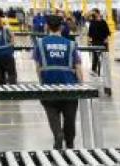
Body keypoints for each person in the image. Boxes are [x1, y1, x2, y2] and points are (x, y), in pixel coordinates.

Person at [34, 16, 83, 150]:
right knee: (70, 118)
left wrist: (42, 82)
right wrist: (81, 85)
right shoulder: (71, 44)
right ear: (61, 27)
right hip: (69, 87)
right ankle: (70, 142)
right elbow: (78, 66)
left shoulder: (40, 43)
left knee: (52, 113)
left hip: (48, 86)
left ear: (47, 27)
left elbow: (38, 67)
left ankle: (58, 134)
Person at [86, 9, 110, 76]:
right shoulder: (92, 22)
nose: (93, 14)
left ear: (98, 13)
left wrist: (106, 39)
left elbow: (107, 32)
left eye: (95, 13)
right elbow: (90, 33)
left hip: (103, 42)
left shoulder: (103, 22)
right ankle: (94, 70)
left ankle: (105, 70)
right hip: (95, 41)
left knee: (104, 57)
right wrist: (89, 41)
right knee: (95, 57)